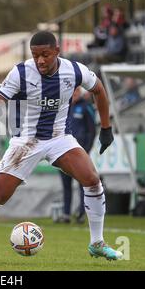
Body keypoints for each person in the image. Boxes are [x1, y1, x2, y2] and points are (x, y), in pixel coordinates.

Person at [0, 31, 122, 263]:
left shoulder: (75, 70)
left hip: (60, 138)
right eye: (35, 55)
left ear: (56, 52)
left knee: (92, 179)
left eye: (45, 55)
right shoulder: (21, 72)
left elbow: (98, 90)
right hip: (26, 141)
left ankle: (97, 243)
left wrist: (107, 128)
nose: (40, 60)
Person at [55, 87, 96, 224]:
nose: (74, 94)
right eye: (72, 91)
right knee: (66, 185)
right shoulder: (63, 108)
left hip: (79, 154)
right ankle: (66, 214)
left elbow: (92, 130)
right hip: (63, 153)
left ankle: (81, 213)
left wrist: (86, 150)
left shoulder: (86, 107)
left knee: (83, 184)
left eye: (77, 91)